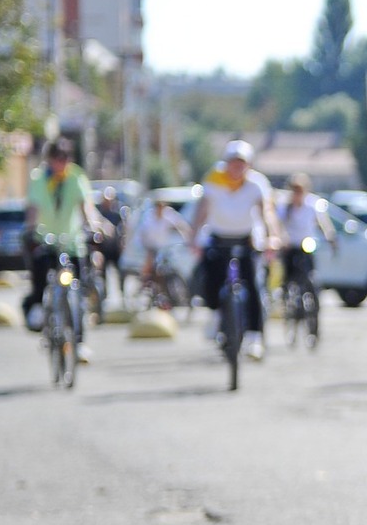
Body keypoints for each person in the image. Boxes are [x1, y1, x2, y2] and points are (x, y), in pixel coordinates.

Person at [189, 139, 281, 360]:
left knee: (254, 284)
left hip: (246, 238)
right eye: (233, 162)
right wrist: (194, 236)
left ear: (248, 165)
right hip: (219, 236)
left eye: (242, 163)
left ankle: (254, 338)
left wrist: (272, 236)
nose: (237, 168)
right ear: (226, 163)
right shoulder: (214, 178)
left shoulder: (257, 183)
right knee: (209, 276)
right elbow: (203, 209)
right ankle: (214, 314)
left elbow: (266, 212)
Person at [24, 140, 110, 361]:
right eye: (58, 158)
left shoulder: (76, 177)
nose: (62, 163)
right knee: (40, 271)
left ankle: (78, 341)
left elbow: (86, 207)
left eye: (66, 158)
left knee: (78, 292)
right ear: (49, 159)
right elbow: (33, 209)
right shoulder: (39, 179)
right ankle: (40, 309)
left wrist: (93, 225)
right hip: (47, 239)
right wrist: (31, 228)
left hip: (72, 242)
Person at [277, 173, 339, 308]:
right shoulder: (285, 207)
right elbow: (278, 224)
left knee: (310, 273)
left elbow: (323, 224)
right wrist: (282, 238)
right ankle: (286, 292)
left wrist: (330, 237)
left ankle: (314, 302)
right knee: (288, 271)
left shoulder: (312, 205)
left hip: (307, 244)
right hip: (291, 244)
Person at [134, 195, 194, 292]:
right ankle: (144, 283)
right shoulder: (148, 217)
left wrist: (187, 238)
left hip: (164, 247)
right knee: (150, 262)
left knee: (168, 263)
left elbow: (181, 225)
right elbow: (142, 234)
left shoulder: (169, 214)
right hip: (149, 245)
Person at [92, 185, 128, 306]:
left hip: (115, 249)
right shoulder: (99, 213)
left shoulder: (117, 214)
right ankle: (103, 298)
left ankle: (123, 296)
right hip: (103, 248)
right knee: (102, 274)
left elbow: (122, 230)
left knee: (120, 272)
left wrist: (123, 243)